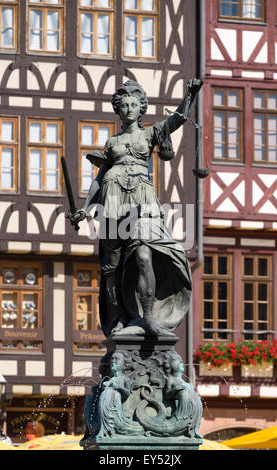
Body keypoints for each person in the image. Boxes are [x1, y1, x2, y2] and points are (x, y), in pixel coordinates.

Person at [69, 79, 203, 337]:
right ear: (118, 110)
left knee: (144, 253)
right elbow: (99, 178)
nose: (129, 109)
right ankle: (119, 318)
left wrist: (190, 94)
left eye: (134, 104)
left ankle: (149, 315)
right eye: (124, 105)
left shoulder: (151, 133)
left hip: (142, 201)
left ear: (141, 108)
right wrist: (85, 210)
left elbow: (178, 119)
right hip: (112, 199)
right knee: (113, 267)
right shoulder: (111, 142)